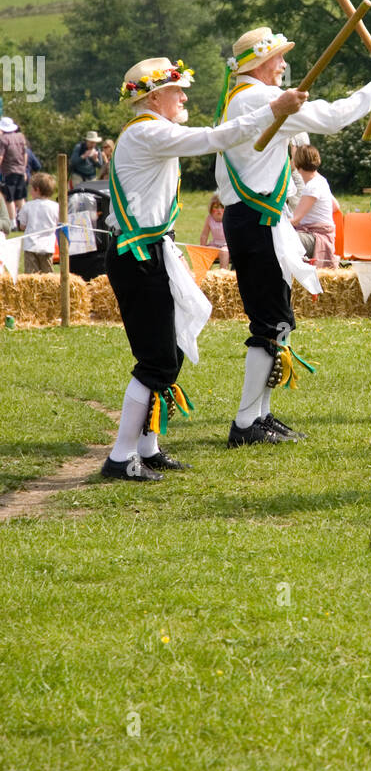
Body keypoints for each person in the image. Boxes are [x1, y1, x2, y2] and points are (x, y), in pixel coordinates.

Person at [102, 55, 306, 481]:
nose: (183, 96)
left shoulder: (151, 131)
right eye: (177, 91)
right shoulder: (149, 132)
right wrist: (273, 110)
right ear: (155, 96)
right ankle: (121, 457)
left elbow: (212, 136)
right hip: (138, 256)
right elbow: (215, 138)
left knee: (170, 350)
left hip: (151, 251)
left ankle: (148, 447)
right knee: (156, 358)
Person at [215, 26, 371, 448]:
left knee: (278, 320)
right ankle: (244, 425)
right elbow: (331, 118)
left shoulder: (245, 98)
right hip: (255, 221)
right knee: (269, 323)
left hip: (259, 221)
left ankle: (260, 415)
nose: (283, 66)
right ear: (258, 64)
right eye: (278, 59)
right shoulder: (257, 98)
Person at [290, 145, 339, 269]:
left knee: (279, 240)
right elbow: (336, 206)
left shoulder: (312, 186)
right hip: (321, 235)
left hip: (316, 237)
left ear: (296, 162)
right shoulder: (321, 180)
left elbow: (295, 220)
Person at [18, 172, 59, 274]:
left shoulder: (27, 206)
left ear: (37, 190)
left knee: (31, 278)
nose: (30, 191)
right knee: (48, 277)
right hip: (47, 246)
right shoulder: (55, 206)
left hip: (30, 246)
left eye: (31, 189)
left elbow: (22, 226)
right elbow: (60, 223)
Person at [0, 116, 28, 221]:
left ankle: (12, 222)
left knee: (9, 198)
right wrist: (24, 169)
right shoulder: (20, 137)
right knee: (20, 198)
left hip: (9, 171)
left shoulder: (3, 139)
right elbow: (25, 154)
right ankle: (25, 220)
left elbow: (1, 157)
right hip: (20, 170)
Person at [200, 193, 230, 270]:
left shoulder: (228, 218)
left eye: (222, 207)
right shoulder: (210, 219)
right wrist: (202, 247)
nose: (219, 210)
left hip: (227, 245)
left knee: (224, 252)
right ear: (211, 209)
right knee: (208, 251)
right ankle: (206, 273)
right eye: (216, 207)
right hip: (215, 244)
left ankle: (223, 272)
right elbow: (204, 234)